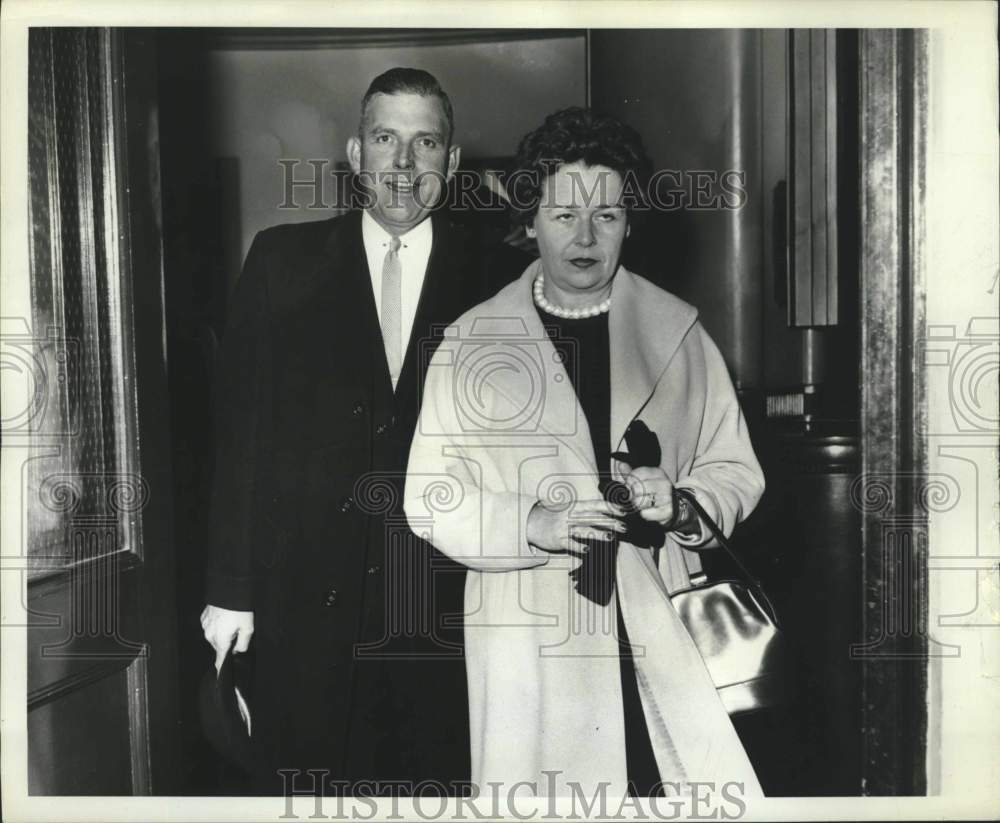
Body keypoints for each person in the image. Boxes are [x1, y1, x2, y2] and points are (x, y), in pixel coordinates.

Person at [404, 107, 766, 798]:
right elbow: (430, 495)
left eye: (607, 214)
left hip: (656, 627)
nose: (585, 235)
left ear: (631, 222)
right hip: (529, 634)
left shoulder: (681, 333)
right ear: (530, 221)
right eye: (564, 213)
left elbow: (734, 469)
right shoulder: (472, 341)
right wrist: (532, 523)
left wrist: (684, 503)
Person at [200, 68, 518, 794]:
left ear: (453, 161)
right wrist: (230, 589)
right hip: (305, 609)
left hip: (450, 611)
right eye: (385, 139)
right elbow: (240, 437)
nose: (404, 165)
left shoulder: (501, 276)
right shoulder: (282, 263)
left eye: (425, 142)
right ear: (354, 152)